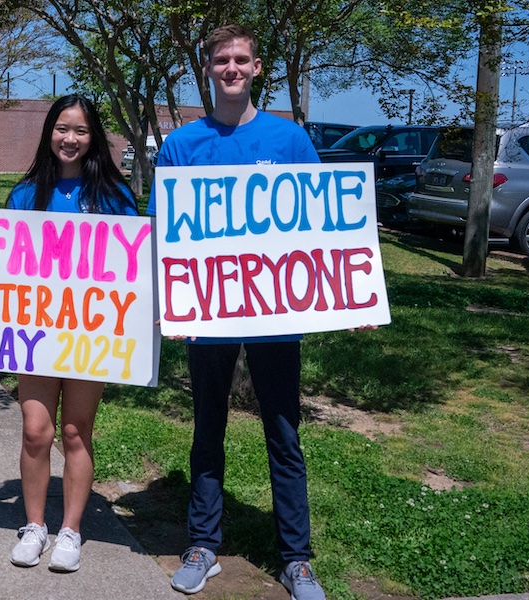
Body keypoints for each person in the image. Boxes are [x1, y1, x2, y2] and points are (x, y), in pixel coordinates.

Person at [151, 25, 326, 599]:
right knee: (209, 426)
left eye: (241, 59)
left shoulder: (291, 140)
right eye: (221, 60)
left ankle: (296, 559)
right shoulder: (181, 145)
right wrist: (163, 301)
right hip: (207, 313)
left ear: (256, 68)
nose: (231, 68)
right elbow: (162, 235)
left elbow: (323, 228)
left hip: (275, 314)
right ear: (208, 69)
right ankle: (204, 544)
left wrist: (350, 297)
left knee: (283, 432)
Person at [2, 95, 138, 573]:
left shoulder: (115, 197)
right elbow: (4, 265)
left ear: (93, 137)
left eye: (80, 131)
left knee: (77, 432)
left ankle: (70, 530)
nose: (70, 139)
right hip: (36, 336)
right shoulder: (24, 194)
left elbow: (134, 268)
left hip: (89, 337)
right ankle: (35, 525)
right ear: (49, 133)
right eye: (62, 128)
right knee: (37, 432)